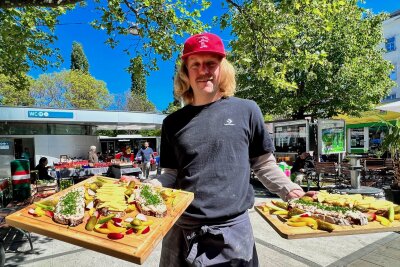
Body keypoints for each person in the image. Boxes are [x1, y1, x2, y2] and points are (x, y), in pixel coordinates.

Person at [149, 32, 316, 266]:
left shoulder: (246, 110)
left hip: (231, 234)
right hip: (179, 230)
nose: (203, 70)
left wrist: (289, 190)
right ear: (185, 71)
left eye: (211, 63)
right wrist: (150, 186)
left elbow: (263, 164)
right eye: (195, 64)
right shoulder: (172, 122)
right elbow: (171, 173)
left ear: (222, 68)